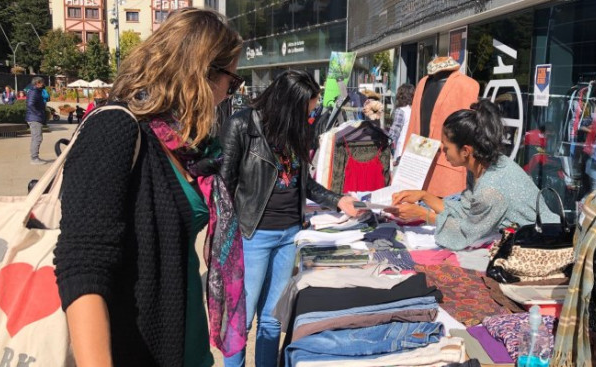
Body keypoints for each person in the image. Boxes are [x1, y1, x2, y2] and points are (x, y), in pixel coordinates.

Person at [53, 8, 242, 367]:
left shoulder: (181, 145)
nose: (228, 95)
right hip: (137, 353)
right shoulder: (114, 129)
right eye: (231, 82)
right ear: (203, 74)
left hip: (188, 349)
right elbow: (82, 263)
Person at [220, 70, 361, 367]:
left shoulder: (297, 129)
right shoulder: (242, 125)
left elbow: (304, 183)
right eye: (306, 111)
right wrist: (227, 238)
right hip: (253, 234)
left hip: (290, 235)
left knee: (272, 320)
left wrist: (338, 201)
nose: (309, 118)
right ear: (288, 105)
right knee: (240, 323)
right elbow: (224, 185)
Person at [390, 100, 558, 250]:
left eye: (446, 147)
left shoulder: (490, 189)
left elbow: (466, 232)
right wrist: (424, 196)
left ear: (465, 151)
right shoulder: (483, 165)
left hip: (543, 247)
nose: (443, 152)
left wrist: (422, 214)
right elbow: (466, 210)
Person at [387, 83, 415, 163]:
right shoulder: (415, 110)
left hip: (401, 150)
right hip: (412, 150)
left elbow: (394, 133)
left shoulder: (401, 111)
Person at [25, 77, 48, 165]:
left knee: (36, 138)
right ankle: (34, 158)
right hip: (34, 118)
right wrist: (38, 113)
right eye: (42, 83)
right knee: (37, 138)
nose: (43, 84)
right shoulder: (34, 92)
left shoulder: (35, 91)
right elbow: (30, 104)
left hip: (34, 117)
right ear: (37, 83)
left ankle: (34, 157)